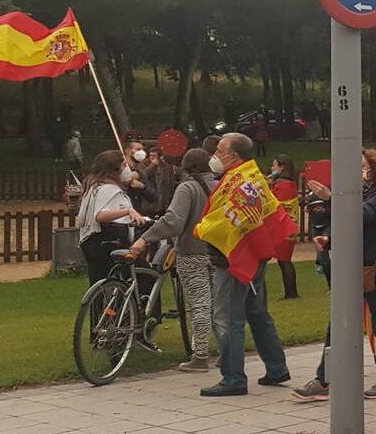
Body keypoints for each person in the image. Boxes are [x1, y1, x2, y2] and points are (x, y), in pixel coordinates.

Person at [291, 149, 376, 402]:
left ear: (375, 170)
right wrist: (328, 239)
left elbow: (358, 216)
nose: (359, 172)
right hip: (353, 267)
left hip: (374, 269)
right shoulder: (360, 193)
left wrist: (330, 198)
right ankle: (324, 379)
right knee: (337, 324)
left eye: (363, 166)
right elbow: (345, 223)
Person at [203, 133, 292, 398]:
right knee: (257, 312)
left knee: (228, 318)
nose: (216, 156)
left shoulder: (239, 182)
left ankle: (233, 378)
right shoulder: (252, 176)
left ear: (235, 155)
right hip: (256, 254)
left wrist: (203, 228)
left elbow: (226, 221)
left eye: (220, 150)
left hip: (233, 259)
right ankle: (276, 368)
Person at [129, 149, 218, 371]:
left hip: (192, 251)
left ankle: (200, 356)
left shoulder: (187, 188)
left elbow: (174, 221)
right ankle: (228, 352)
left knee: (199, 304)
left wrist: (145, 239)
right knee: (219, 305)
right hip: (219, 252)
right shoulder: (220, 186)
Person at [77, 151, 146, 285]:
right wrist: (127, 211)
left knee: (101, 282)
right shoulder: (108, 189)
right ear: (114, 169)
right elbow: (100, 215)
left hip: (91, 241)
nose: (127, 169)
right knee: (145, 276)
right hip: (107, 241)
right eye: (124, 165)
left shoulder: (94, 188)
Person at [267, 155, 303, 300]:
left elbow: (273, 203)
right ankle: (291, 292)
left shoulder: (283, 185)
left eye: (274, 165)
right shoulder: (290, 183)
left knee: (284, 260)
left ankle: (291, 293)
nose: (272, 168)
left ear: (282, 167)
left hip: (284, 228)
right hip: (289, 226)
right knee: (284, 260)